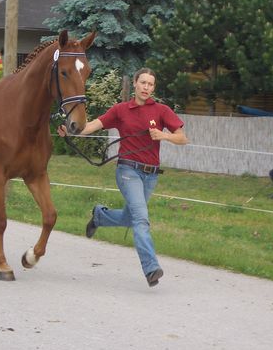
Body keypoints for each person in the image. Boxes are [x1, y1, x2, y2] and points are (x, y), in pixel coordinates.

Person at [58, 68, 187, 287]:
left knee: (131, 218)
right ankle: (151, 268)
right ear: (135, 84)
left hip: (151, 175)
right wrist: (72, 131)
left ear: (153, 88)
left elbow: (182, 138)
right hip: (128, 170)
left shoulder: (161, 110)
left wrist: (164, 135)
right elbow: (92, 126)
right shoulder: (121, 110)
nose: (146, 87)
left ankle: (100, 216)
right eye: (143, 83)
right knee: (141, 219)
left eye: (150, 84)